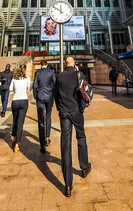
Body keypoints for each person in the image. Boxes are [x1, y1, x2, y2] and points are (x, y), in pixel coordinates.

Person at [54, 56, 91, 198]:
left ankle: (68, 184)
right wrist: (82, 108)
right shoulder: (78, 74)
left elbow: (55, 95)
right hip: (76, 111)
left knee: (66, 146)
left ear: (65, 63)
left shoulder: (59, 76)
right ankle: (84, 167)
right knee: (81, 136)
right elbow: (83, 92)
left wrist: (60, 109)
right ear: (74, 63)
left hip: (64, 112)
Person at [33, 60, 56, 153]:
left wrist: (35, 96)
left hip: (40, 97)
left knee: (40, 119)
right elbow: (54, 85)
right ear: (46, 64)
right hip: (49, 96)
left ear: (40, 65)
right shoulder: (51, 72)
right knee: (48, 116)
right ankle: (47, 137)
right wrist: (53, 95)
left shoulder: (37, 73)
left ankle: (42, 144)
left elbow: (35, 86)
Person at [10, 64, 31, 153]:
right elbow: (29, 88)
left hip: (15, 101)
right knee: (20, 122)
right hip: (24, 101)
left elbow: (10, 89)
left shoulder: (14, 79)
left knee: (15, 120)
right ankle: (18, 143)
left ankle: (14, 136)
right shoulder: (27, 78)